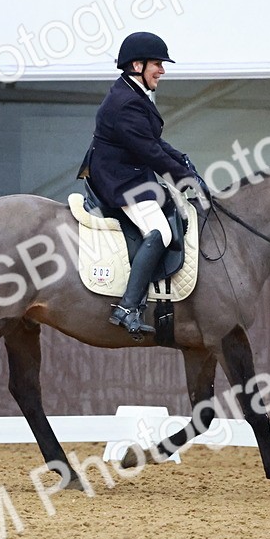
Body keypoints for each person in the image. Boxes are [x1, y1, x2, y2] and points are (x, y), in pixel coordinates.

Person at [83, 31, 196, 337]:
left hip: (129, 173)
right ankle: (128, 306)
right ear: (137, 65)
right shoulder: (125, 104)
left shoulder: (131, 94)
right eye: (157, 64)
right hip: (119, 181)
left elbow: (154, 142)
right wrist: (182, 177)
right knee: (158, 231)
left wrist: (183, 162)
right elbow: (149, 152)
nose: (162, 70)